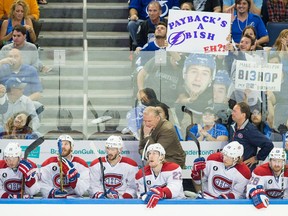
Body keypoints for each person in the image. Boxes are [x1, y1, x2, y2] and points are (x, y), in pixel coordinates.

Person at [135, 143, 185, 208]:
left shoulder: (173, 168)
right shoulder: (141, 174)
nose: (151, 156)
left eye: (154, 153)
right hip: (152, 206)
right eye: (149, 154)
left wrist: (161, 192)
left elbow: (175, 190)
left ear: (162, 156)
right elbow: (141, 196)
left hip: (177, 205)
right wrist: (144, 196)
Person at [229, 102, 274, 171]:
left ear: (243, 115)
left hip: (244, 170)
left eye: (235, 111)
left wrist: (256, 158)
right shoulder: (232, 126)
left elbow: (268, 144)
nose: (232, 113)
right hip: (232, 167)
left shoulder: (250, 130)